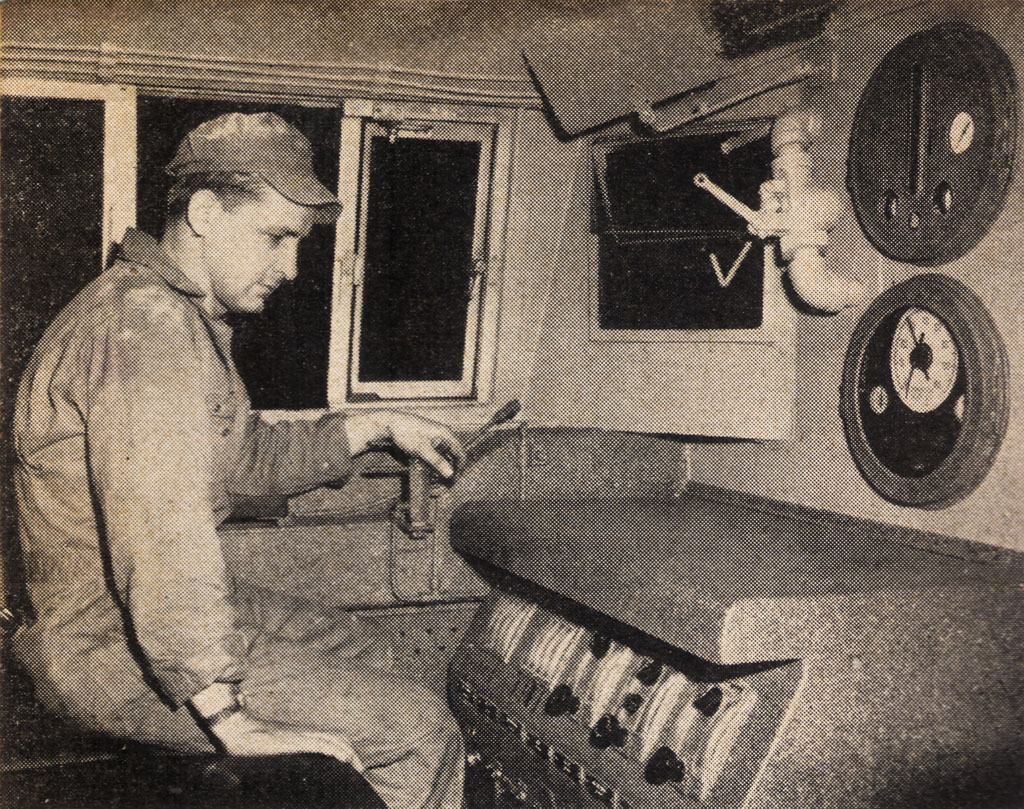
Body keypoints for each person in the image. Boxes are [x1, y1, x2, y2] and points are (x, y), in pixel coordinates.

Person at [10, 112, 467, 809]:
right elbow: (162, 535)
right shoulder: (147, 326)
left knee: (367, 647)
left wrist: (375, 425)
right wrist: (228, 715)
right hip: (106, 643)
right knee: (418, 729)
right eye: (276, 237)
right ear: (203, 213)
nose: (291, 269)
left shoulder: (174, 315)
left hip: (130, 616)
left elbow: (241, 459)